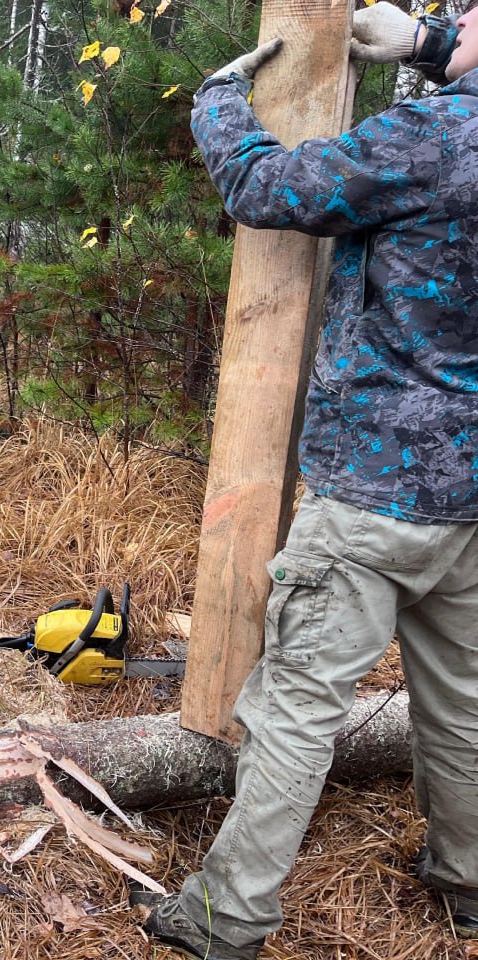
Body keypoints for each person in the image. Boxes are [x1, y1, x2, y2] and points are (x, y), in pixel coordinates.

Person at [143, 9, 478, 959]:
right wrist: (425, 42)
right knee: (460, 700)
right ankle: (469, 878)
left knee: (295, 706)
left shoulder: (439, 136)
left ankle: (227, 915)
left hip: (377, 486)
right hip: (471, 498)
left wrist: (216, 101)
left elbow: (267, 183)